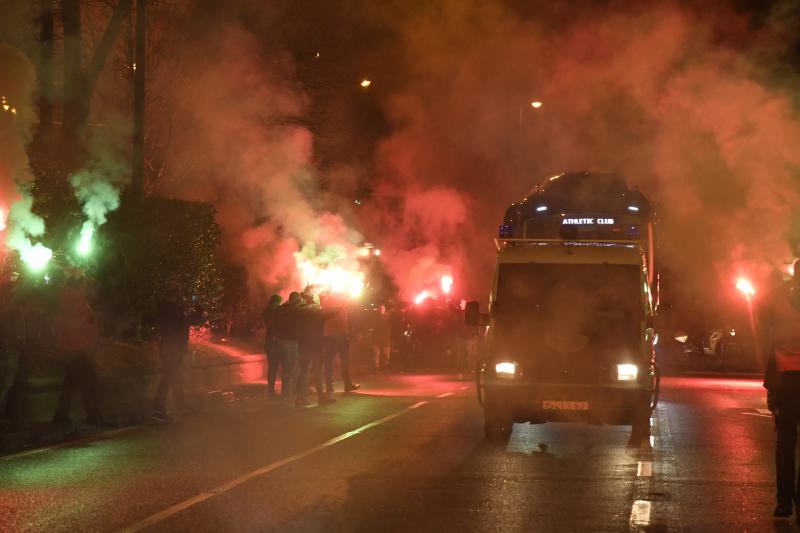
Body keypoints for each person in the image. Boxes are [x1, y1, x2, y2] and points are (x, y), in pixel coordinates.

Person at [763, 259, 800, 520]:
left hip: (785, 381)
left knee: (785, 444)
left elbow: (768, 333)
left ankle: (784, 502)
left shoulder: (779, 299)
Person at [52, 276, 104, 425]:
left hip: (74, 350)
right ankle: (93, 415)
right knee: (89, 383)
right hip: (81, 350)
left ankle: (61, 415)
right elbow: (82, 325)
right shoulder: (77, 302)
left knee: (70, 384)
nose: (86, 288)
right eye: (84, 285)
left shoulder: (66, 302)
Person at [153, 284, 201, 421]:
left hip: (170, 347)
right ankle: (158, 409)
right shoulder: (174, 310)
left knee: (175, 377)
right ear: (175, 295)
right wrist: (198, 307)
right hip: (173, 348)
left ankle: (181, 405)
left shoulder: (165, 308)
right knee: (169, 377)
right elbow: (191, 321)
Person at [294, 291, 337, 407]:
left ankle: (299, 398)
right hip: (316, 345)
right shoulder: (317, 310)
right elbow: (332, 312)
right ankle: (321, 398)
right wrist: (342, 302)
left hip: (303, 344)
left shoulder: (301, 310)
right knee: (317, 371)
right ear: (315, 300)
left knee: (303, 371)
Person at [0, 280, 27, 430]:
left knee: (7, 386)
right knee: (6, 386)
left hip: (10, 350)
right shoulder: (14, 311)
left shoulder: (8, 310)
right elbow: (17, 333)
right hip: (11, 350)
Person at [322, 294, 359, 395]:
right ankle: (343, 384)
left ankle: (338, 385)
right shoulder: (335, 307)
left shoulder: (329, 306)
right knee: (340, 362)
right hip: (337, 337)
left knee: (333, 362)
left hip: (332, 337)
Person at [262, 294, 284, 396]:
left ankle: (271, 390)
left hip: (270, 341)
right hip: (274, 341)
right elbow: (273, 325)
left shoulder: (267, 310)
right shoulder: (273, 311)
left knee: (272, 367)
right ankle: (272, 390)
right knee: (276, 366)